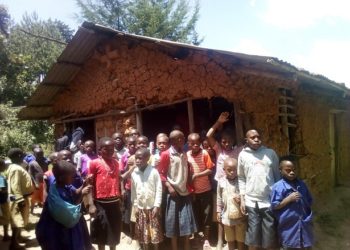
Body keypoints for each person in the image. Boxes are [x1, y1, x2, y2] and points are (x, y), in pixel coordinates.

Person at [89, 137, 135, 250]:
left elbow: (119, 178)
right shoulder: (94, 163)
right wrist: (91, 204)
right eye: (106, 149)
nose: (110, 151)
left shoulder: (116, 162)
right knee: (101, 231)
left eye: (112, 149)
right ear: (99, 150)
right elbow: (89, 185)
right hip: (100, 203)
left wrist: (132, 169)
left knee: (114, 231)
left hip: (114, 203)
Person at [36, 160, 93, 250]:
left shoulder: (64, 185)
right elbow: (71, 209)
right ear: (62, 178)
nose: (73, 179)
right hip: (62, 226)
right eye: (71, 177)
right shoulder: (59, 193)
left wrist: (84, 184)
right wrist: (82, 194)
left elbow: (75, 191)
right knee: (66, 245)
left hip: (67, 221)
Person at [238, 129, 280, 250]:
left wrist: (277, 198)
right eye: (253, 137)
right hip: (251, 201)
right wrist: (242, 199)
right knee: (253, 236)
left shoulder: (270, 153)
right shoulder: (243, 155)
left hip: (268, 201)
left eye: (258, 137)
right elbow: (241, 178)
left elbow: (277, 177)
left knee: (269, 235)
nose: (256, 139)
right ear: (247, 140)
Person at [207, 112, 243, 249]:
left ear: (234, 141)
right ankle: (221, 240)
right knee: (220, 213)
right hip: (220, 185)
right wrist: (219, 122)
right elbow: (208, 135)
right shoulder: (219, 150)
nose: (226, 143)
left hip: (234, 186)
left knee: (235, 212)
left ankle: (235, 241)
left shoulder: (238, 151)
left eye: (229, 141)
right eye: (223, 141)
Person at [158, 130, 197, 250]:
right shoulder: (166, 154)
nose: (181, 140)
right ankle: (174, 247)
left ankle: (186, 246)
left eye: (182, 138)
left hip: (184, 192)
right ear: (172, 141)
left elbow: (187, 172)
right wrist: (169, 186)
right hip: (173, 193)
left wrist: (191, 189)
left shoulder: (184, 153)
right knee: (172, 223)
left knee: (186, 222)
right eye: (178, 138)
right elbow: (160, 173)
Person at [270, 156, 313, 250]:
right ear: (280, 170)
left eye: (294, 169)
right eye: (288, 170)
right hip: (288, 229)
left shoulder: (301, 184)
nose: (292, 172)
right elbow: (274, 206)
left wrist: (307, 217)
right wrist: (288, 199)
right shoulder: (278, 187)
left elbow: (309, 201)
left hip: (304, 227)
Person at [131, 148, 163, 250]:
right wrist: (135, 205)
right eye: (136, 158)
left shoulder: (154, 172)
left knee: (154, 231)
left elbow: (159, 189)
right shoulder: (134, 173)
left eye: (140, 158)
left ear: (147, 158)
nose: (137, 161)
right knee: (143, 232)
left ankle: (156, 248)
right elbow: (134, 191)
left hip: (152, 207)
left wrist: (157, 205)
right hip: (141, 208)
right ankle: (145, 248)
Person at [187, 133, 214, 242]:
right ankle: (198, 237)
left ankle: (206, 239)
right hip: (193, 192)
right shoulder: (187, 155)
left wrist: (196, 175)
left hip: (205, 190)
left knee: (207, 215)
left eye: (198, 143)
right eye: (193, 143)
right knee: (196, 215)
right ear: (188, 144)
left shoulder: (204, 153)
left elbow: (210, 169)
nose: (195, 145)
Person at [7, 148, 34, 250]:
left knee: (22, 218)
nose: (24, 156)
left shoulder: (15, 167)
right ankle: (13, 244)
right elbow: (15, 185)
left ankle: (19, 237)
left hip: (20, 197)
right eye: (22, 155)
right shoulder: (15, 169)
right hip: (17, 198)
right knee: (17, 221)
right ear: (18, 156)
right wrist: (19, 200)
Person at [217, 158, 247, 250]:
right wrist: (218, 211)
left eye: (235, 170)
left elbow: (246, 196)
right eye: (229, 170)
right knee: (230, 240)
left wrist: (241, 201)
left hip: (240, 217)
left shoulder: (241, 181)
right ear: (224, 170)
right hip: (227, 217)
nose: (232, 172)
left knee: (240, 240)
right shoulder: (221, 181)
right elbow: (219, 197)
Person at [28, 147, 48, 213]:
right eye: (38, 154)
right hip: (36, 183)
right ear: (34, 155)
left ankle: (44, 210)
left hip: (44, 182)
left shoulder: (45, 162)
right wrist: (35, 183)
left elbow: (46, 171)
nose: (40, 156)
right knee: (34, 197)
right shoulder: (32, 163)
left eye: (41, 154)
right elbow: (30, 174)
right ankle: (32, 210)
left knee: (44, 196)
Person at [0, 158, 10, 242]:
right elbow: (2, 189)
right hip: (2, 201)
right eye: (4, 165)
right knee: (5, 218)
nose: (5, 167)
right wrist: (9, 190)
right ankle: (6, 235)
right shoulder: (1, 177)